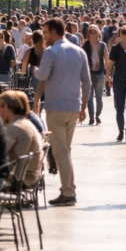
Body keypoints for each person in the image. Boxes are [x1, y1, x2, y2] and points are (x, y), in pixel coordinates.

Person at [33, 18, 90, 207]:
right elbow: (87, 82)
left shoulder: (51, 52)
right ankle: (69, 188)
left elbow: (42, 75)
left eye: (46, 32)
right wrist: (84, 106)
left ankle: (68, 191)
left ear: (55, 31)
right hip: (73, 106)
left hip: (56, 106)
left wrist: (34, 70)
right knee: (65, 150)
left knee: (60, 151)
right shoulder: (79, 51)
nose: (44, 36)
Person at [0, 90, 43, 189]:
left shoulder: (16, 127)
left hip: (21, 178)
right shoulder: (25, 123)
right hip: (31, 176)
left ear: (7, 107)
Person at [82, 26, 108, 126]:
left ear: (98, 34)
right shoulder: (86, 44)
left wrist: (108, 75)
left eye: (94, 33)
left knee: (99, 97)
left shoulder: (102, 45)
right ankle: (91, 116)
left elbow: (107, 59)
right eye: (90, 33)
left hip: (100, 73)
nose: (92, 35)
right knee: (89, 97)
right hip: (89, 73)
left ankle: (97, 115)